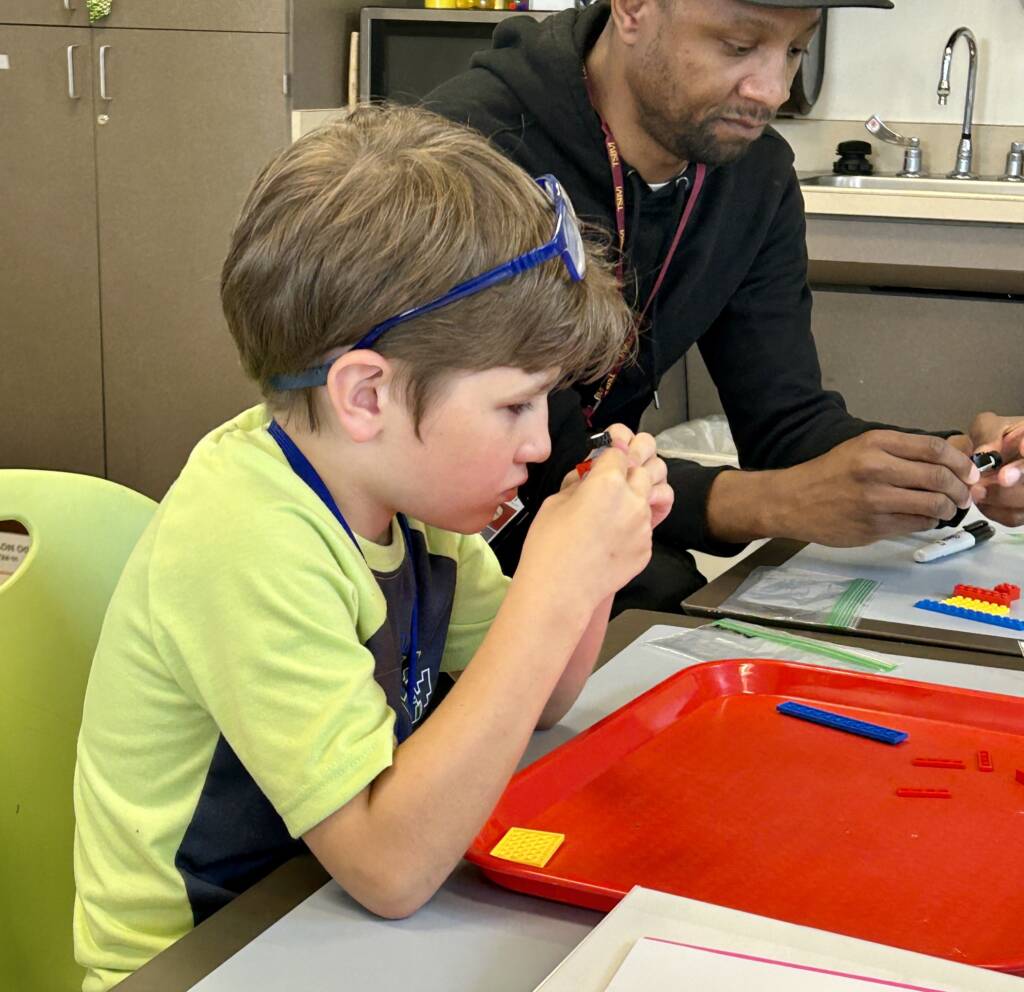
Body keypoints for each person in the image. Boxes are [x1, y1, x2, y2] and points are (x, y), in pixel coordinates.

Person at [72, 105, 673, 991]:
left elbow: (538, 700)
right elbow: (389, 868)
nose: (541, 442)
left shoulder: (414, 496)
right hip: (203, 958)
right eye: (513, 405)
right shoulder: (249, 532)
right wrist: (552, 586)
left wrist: (590, 574)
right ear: (365, 396)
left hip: (326, 919)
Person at [426, 0, 1024, 612]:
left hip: (600, 520)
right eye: (738, 47)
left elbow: (788, 425)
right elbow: (513, 448)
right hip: (437, 543)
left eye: (795, 50)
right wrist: (780, 502)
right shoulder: (464, 157)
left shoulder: (752, 174)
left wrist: (953, 464)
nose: (771, 91)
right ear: (633, 8)